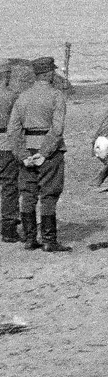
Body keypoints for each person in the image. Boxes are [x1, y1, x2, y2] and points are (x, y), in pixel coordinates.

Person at [7, 56, 69, 252]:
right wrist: (44, 152)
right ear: (49, 74)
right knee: (49, 195)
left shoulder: (22, 97)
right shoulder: (56, 95)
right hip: (49, 151)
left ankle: (29, 238)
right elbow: (57, 129)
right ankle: (49, 241)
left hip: (27, 149)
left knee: (28, 195)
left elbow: (13, 130)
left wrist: (23, 154)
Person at [0, 62, 21, 244]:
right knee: (9, 186)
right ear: (6, 76)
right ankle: (8, 228)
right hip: (5, 143)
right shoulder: (12, 96)